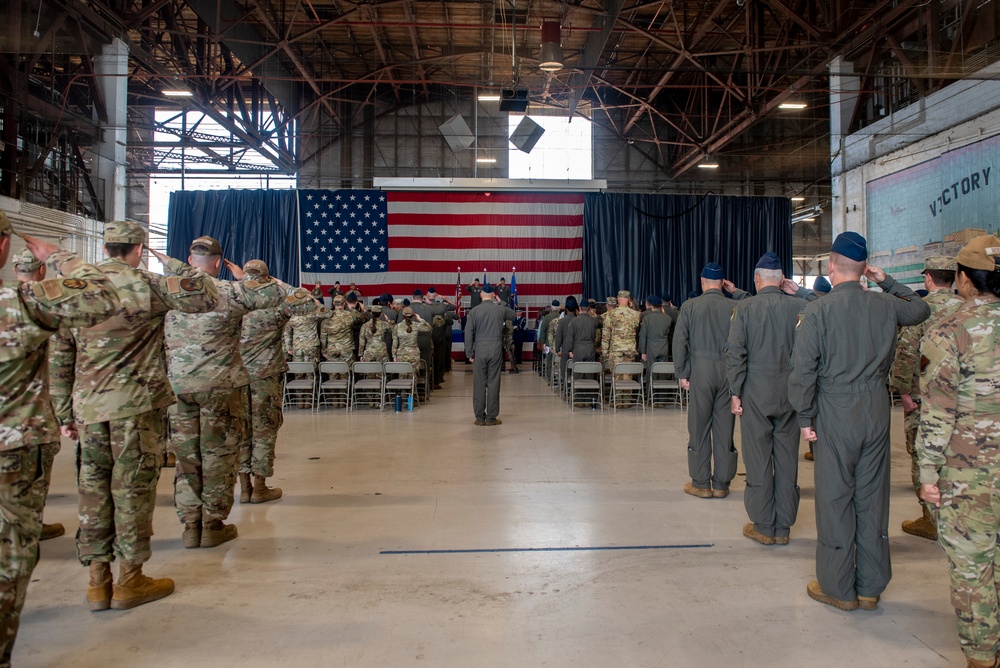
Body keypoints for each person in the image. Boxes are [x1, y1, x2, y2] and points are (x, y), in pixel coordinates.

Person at [48, 221, 218, 611]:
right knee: (132, 493)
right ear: (140, 249)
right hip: (136, 408)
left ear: (105, 248)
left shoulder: (74, 289)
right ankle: (130, 579)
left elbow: (60, 354)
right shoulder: (149, 285)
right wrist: (177, 264)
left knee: (93, 493)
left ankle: (97, 583)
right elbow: (206, 296)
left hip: (89, 410)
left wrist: (64, 412)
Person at [0, 212, 121, 664]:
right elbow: (101, 296)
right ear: (5, 247)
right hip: (11, 454)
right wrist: (60, 257)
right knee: (8, 564)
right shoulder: (22, 304)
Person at [789, 231, 930, 611]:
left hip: (835, 409)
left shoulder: (817, 311)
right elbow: (920, 309)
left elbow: (803, 371)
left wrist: (804, 415)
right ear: (865, 268)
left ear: (830, 266)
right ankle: (870, 585)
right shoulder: (885, 305)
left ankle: (838, 587)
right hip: (876, 408)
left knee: (835, 496)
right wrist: (886, 280)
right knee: (872, 496)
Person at [163, 236, 313, 550]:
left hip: (180, 388)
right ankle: (213, 524)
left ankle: (190, 526)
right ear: (220, 263)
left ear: (190, 260)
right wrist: (249, 280)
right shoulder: (233, 293)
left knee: (187, 459)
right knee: (219, 454)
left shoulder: (168, 292)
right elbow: (303, 300)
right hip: (224, 384)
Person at [915, 235, 1000, 668]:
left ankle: (983, 657)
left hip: (970, 473)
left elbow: (938, 411)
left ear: (964, 279)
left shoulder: (950, 330)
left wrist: (928, 473)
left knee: (973, 565)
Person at [726, 252, 806, 546]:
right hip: (790, 392)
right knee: (787, 458)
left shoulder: (745, 308)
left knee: (758, 457)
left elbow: (736, 352)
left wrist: (735, 391)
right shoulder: (800, 306)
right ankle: (783, 526)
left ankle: (763, 525)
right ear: (782, 279)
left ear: (757, 279)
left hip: (755, 392)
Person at [890, 256, 963, 541]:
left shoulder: (920, 309)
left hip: (925, 398)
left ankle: (931, 520)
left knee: (923, 455)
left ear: (928, 278)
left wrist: (903, 392)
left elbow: (906, 353)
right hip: (962, 398)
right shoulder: (967, 308)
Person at [672, 263, 744, 499]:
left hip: (700, 371)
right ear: (723, 283)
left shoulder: (690, 306)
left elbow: (679, 341)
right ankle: (722, 483)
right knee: (724, 428)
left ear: (702, 282)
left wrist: (683, 372)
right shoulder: (735, 306)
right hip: (727, 371)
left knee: (699, 427)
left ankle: (701, 483)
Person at [11, 249, 65, 542]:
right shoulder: (50, 303)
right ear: (42, 269)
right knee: (37, 464)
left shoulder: (6, 301)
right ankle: (31, 523)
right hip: (38, 402)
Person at [237, 260, 292, 504]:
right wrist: (279, 284)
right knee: (264, 430)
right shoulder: (275, 311)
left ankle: (244, 488)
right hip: (266, 377)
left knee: (241, 430)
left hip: (238, 378)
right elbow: (307, 301)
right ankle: (259, 487)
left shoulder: (232, 308)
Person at [465, 284, 515, 426]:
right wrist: (501, 301)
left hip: (480, 349)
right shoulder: (499, 309)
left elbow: (468, 332)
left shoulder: (474, 311)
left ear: (481, 294)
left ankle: (480, 417)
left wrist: (470, 352)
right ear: (493, 295)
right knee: (493, 382)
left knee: (479, 383)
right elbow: (513, 315)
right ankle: (491, 417)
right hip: (495, 349)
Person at [603, 290, 641, 381]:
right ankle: (627, 390)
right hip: (630, 349)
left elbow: (606, 334)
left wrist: (605, 351)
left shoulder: (611, 314)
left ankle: (618, 391)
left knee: (617, 376)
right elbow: (637, 329)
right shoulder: (636, 314)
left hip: (615, 350)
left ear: (618, 299)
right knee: (628, 375)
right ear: (628, 299)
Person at [638, 295, 672, 377]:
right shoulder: (668, 319)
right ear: (661, 306)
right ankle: (663, 385)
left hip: (651, 347)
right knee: (663, 371)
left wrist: (643, 351)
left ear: (652, 306)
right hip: (664, 346)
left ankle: (650, 385)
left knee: (651, 371)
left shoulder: (647, 319)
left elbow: (643, 335)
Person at [555, 297, 579, 392]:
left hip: (565, 349)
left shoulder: (562, 321)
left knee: (565, 370)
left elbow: (558, 337)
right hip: (576, 348)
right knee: (576, 369)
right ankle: (575, 389)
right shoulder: (578, 320)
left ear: (566, 309)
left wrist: (557, 349)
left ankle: (566, 389)